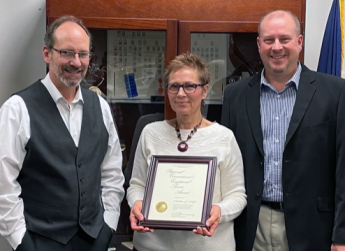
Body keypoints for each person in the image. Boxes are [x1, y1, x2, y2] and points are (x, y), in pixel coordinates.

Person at [221, 10, 345, 251]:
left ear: (299, 42)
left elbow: (344, 169)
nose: (276, 47)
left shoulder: (336, 92)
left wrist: (341, 235)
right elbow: (225, 163)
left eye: (284, 39)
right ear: (259, 44)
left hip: (313, 227)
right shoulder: (235, 96)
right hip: (249, 227)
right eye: (269, 40)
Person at [0, 15, 125, 251]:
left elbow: (112, 174)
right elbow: (3, 186)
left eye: (83, 54)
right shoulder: (17, 109)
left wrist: (108, 226)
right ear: (47, 54)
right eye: (67, 52)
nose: (76, 62)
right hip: (39, 241)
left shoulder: (101, 107)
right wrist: (22, 242)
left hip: (94, 239)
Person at [127, 52, 247, 251]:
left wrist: (219, 211)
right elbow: (136, 185)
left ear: (205, 90)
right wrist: (138, 203)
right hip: (152, 246)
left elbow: (237, 195)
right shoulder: (150, 133)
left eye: (190, 86)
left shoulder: (224, 138)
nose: (181, 93)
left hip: (209, 246)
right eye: (174, 86)